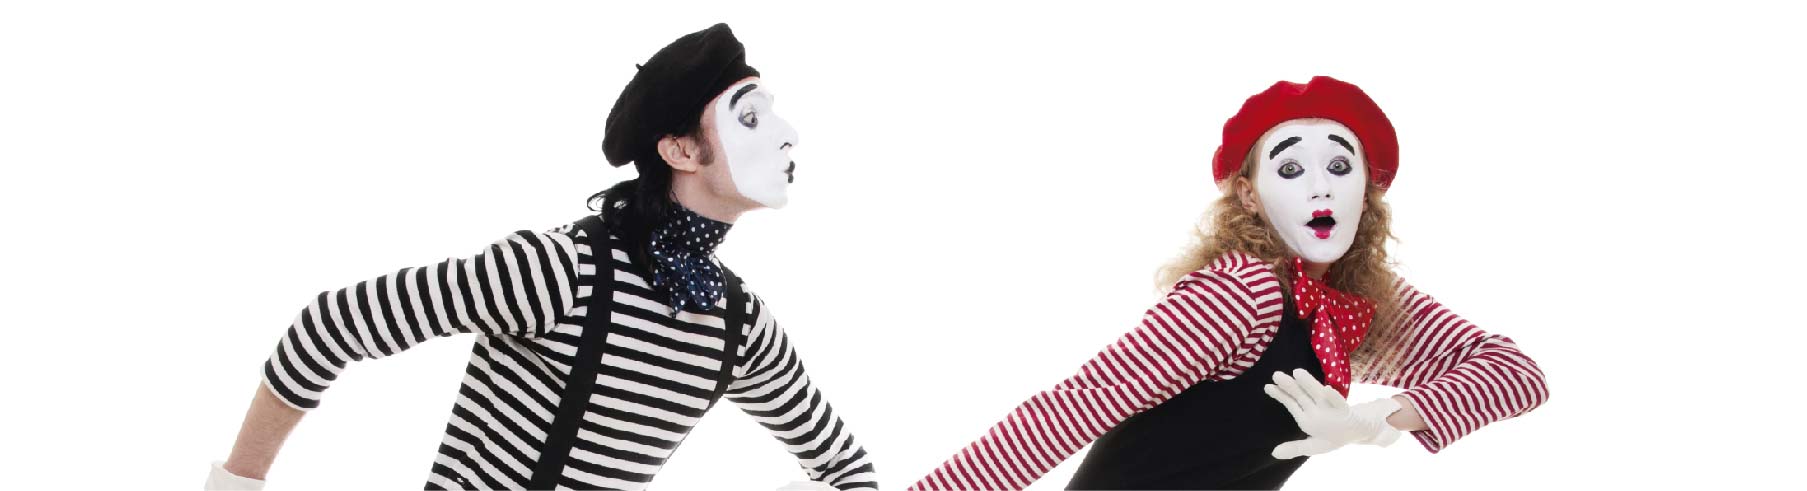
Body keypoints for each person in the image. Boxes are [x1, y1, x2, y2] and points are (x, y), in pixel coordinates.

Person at [207, 23, 877, 491]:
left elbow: (845, 468)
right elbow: (330, 326)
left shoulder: (737, 324)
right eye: (749, 118)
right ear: (679, 150)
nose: (788, 136)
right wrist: (236, 483)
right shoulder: (558, 272)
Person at [909, 76, 1548, 490]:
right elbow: (1071, 408)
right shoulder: (1241, 291)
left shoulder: (1354, 302)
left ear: (1367, 188)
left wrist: (1375, 419)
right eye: (1290, 169)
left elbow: (1515, 374)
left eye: (1339, 165)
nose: (1320, 187)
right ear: (1248, 194)